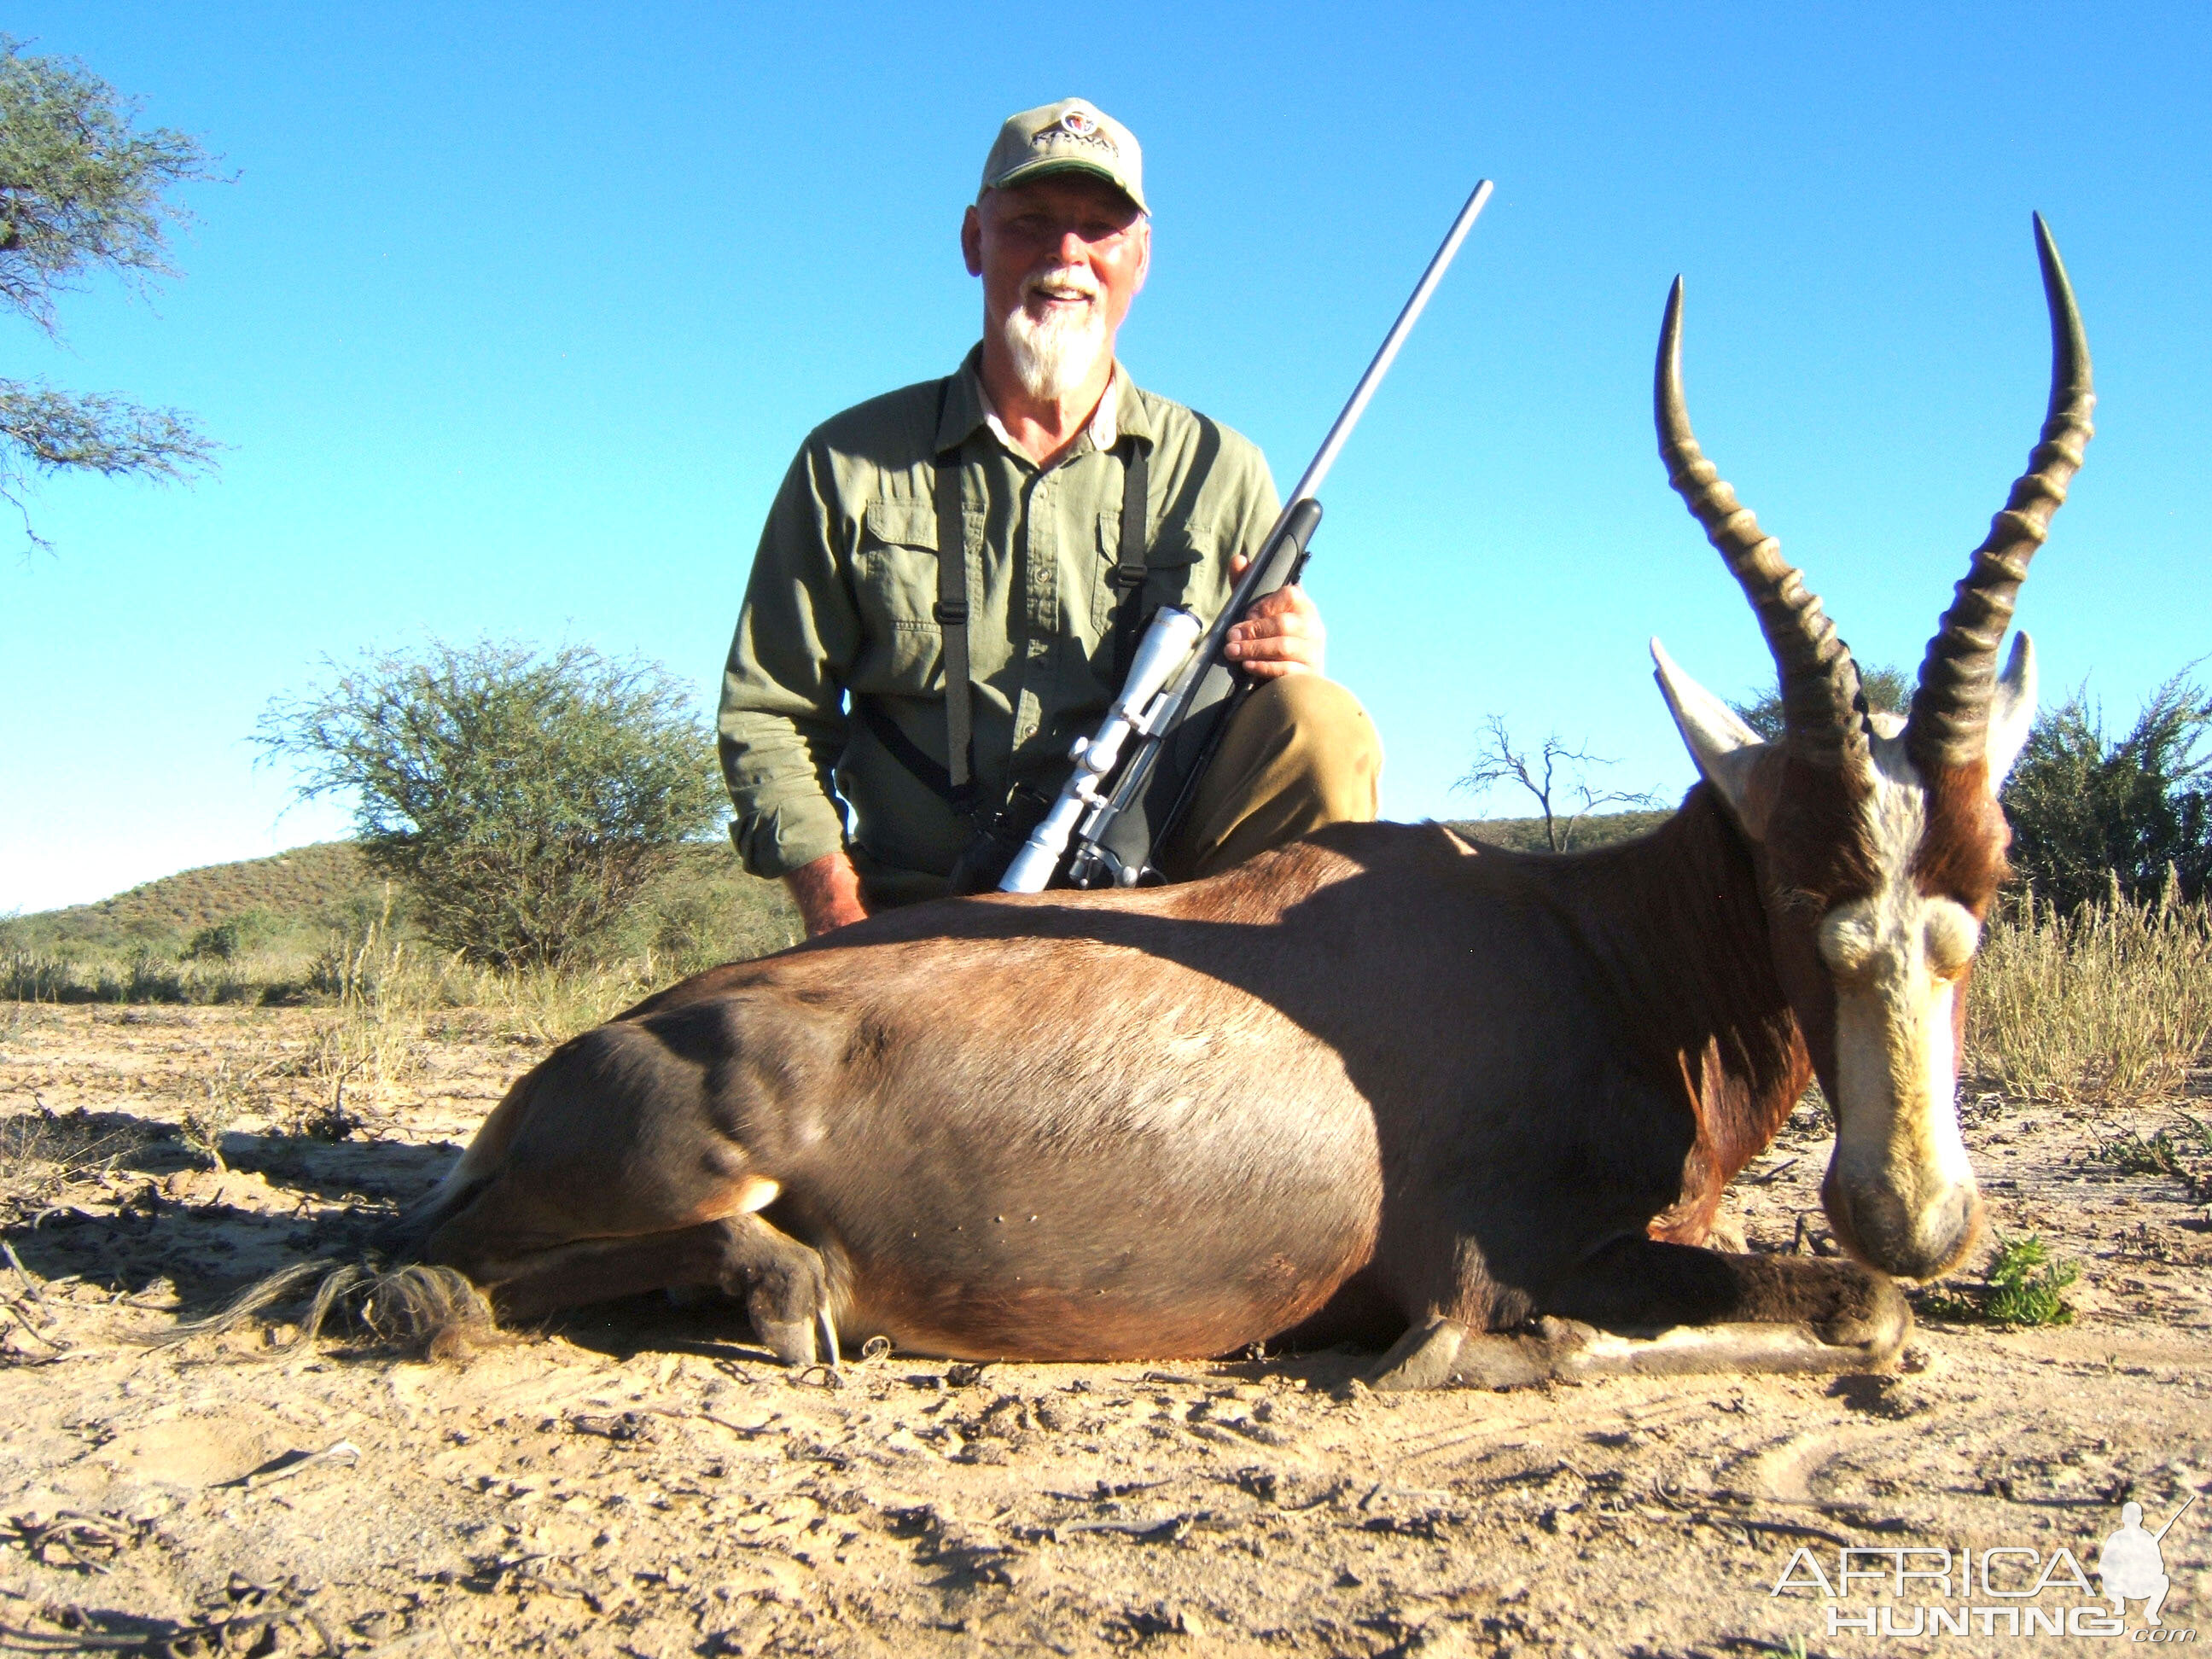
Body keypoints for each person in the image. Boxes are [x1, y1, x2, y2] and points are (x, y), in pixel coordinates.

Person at [719, 97, 1382, 936]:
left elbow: (1258, 721)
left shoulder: (1225, 470)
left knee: (1320, 721)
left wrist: (1291, 663)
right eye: (1030, 221)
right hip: (912, 917)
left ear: (1140, 258)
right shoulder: (846, 461)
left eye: (1099, 229)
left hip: (1153, 903)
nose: (1065, 255)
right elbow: (769, 711)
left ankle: (1298, 1015)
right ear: (974, 239)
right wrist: (838, 918)